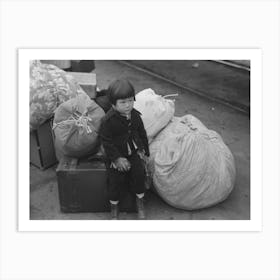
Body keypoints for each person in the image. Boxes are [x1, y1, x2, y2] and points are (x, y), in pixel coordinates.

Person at [99, 79, 150, 220]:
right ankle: (114, 206)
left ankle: (140, 202)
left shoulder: (135, 116)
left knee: (139, 174)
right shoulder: (107, 121)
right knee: (115, 181)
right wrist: (116, 158)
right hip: (116, 154)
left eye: (130, 100)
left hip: (133, 152)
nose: (128, 105)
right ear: (113, 104)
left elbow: (142, 133)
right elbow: (106, 142)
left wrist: (145, 151)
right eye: (123, 102)